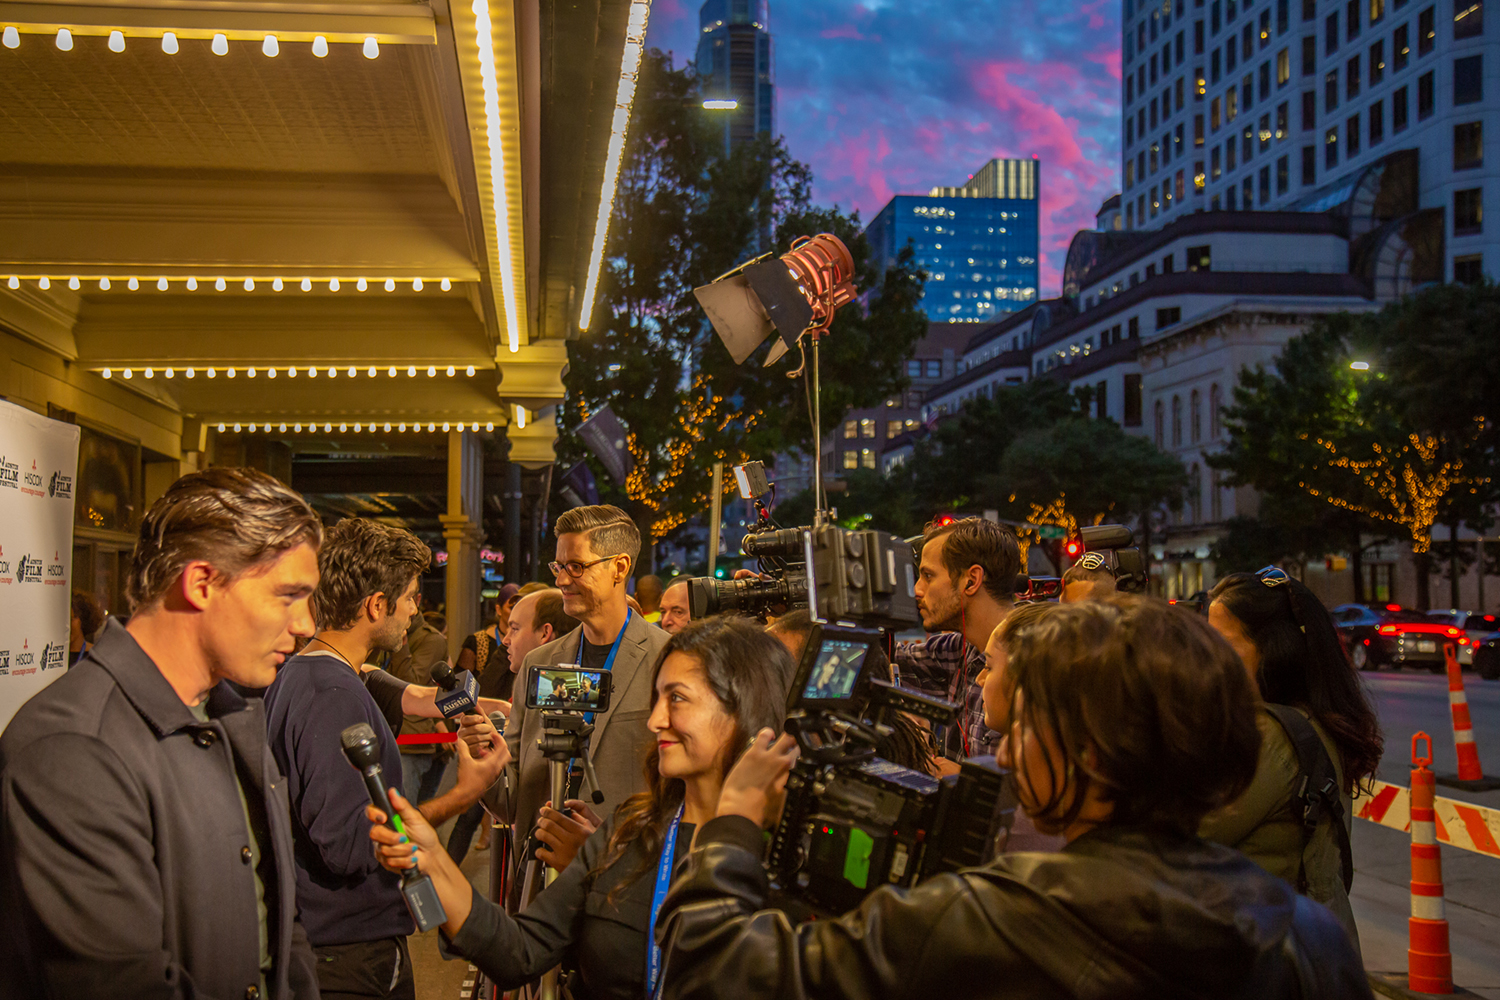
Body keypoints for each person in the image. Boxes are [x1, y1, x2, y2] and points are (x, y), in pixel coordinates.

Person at [654, 596, 1374, 1000]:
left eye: (1022, 729)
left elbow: (716, 971)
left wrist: (734, 826)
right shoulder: (1310, 939)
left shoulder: (987, 918)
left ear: (1091, 752)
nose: (1002, 754)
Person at [0, 467, 322, 999]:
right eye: (287, 595)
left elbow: (279, 926)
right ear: (201, 583)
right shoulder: (73, 751)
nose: (306, 624)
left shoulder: (235, 713)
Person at [367, 617, 797, 1000]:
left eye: (678, 699)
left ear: (742, 708)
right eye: (657, 697)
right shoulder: (631, 829)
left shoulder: (792, 857)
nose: (655, 720)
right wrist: (432, 857)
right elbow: (520, 950)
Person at [264, 517, 509, 1000]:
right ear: (377, 605)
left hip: (329, 942)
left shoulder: (310, 671)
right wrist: (465, 793)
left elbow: (375, 678)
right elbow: (352, 845)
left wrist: (441, 701)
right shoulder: (334, 696)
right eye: (412, 597)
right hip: (348, 956)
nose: (416, 611)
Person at [1201, 568, 1385, 951]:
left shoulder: (1271, 738)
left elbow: (1178, 833)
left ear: (1275, 655)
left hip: (1274, 961)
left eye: (1224, 648)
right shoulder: (1306, 720)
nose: (1209, 663)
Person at [493, 505, 671, 895]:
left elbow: (681, 794)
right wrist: (482, 762)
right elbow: (512, 797)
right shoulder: (539, 663)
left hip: (622, 882)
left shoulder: (669, 659)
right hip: (540, 882)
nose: (562, 581)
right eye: (558, 568)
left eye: (576, 567)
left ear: (619, 567)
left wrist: (607, 849)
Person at [897, 516, 1021, 759]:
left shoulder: (1035, 657)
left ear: (971, 580)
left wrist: (963, 780)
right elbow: (881, 659)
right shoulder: (961, 649)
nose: (917, 590)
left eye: (928, 576)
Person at [387, 597, 453, 806]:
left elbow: (410, 688)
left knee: (404, 813)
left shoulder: (430, 640)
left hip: (411, 741)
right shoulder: (383, 633)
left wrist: (401, 645)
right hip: (390, 735)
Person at [68, 587, 105, 666]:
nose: (67, 625)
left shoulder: (96, 655)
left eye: (70, 619)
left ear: (82, 618)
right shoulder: (52, 656)